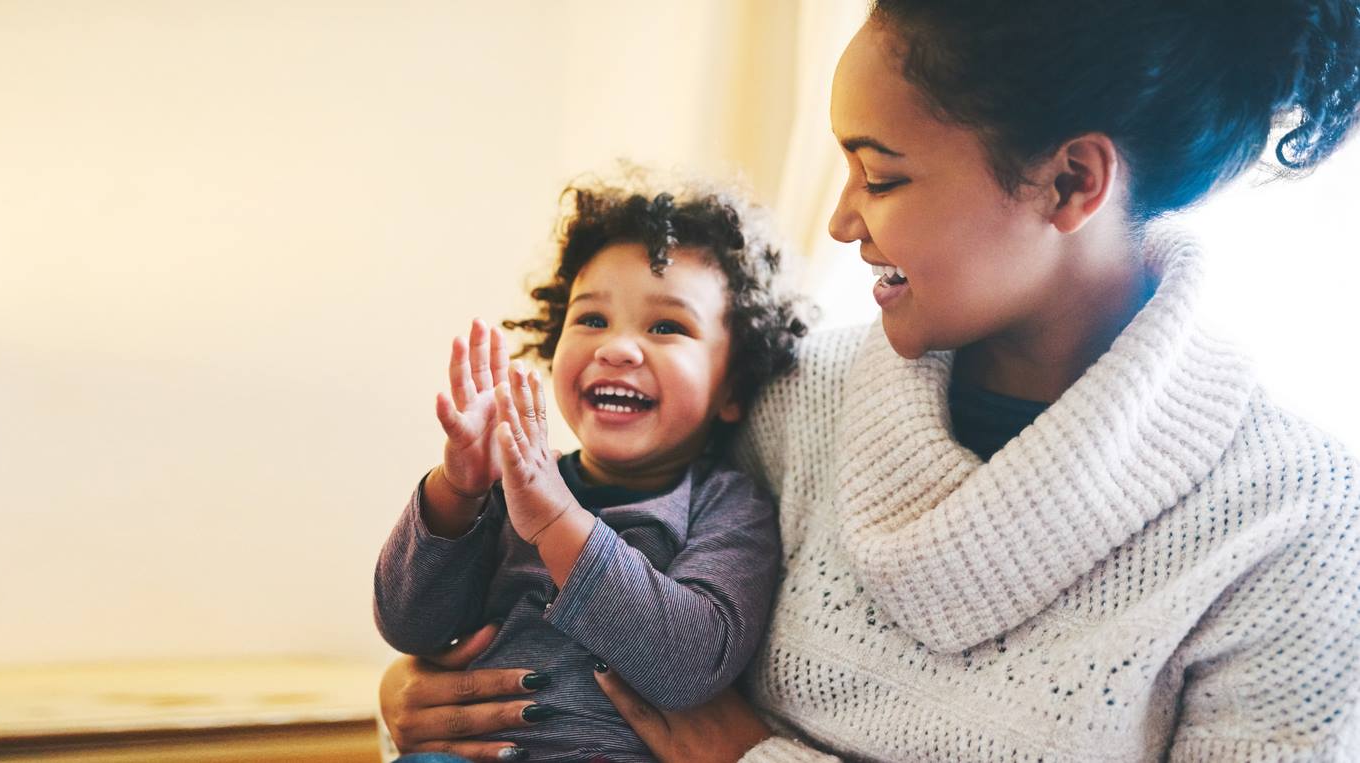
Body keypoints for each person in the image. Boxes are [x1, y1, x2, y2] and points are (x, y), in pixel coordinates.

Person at [378, 1, 1360, 760]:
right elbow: (582, 583)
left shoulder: (1294, 520)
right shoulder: (793, 399)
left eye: (881, 176)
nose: (842, 221)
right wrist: (424, 691)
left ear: (1070, 183)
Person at [374, 173, 809, 762]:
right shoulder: (509, 489)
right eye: (592, 320)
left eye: (667, 327)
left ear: (732, 387)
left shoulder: (727, 507)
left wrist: (557, 522)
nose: (616, 348)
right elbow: (410, 626)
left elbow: (689, 665)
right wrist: (456, 492)